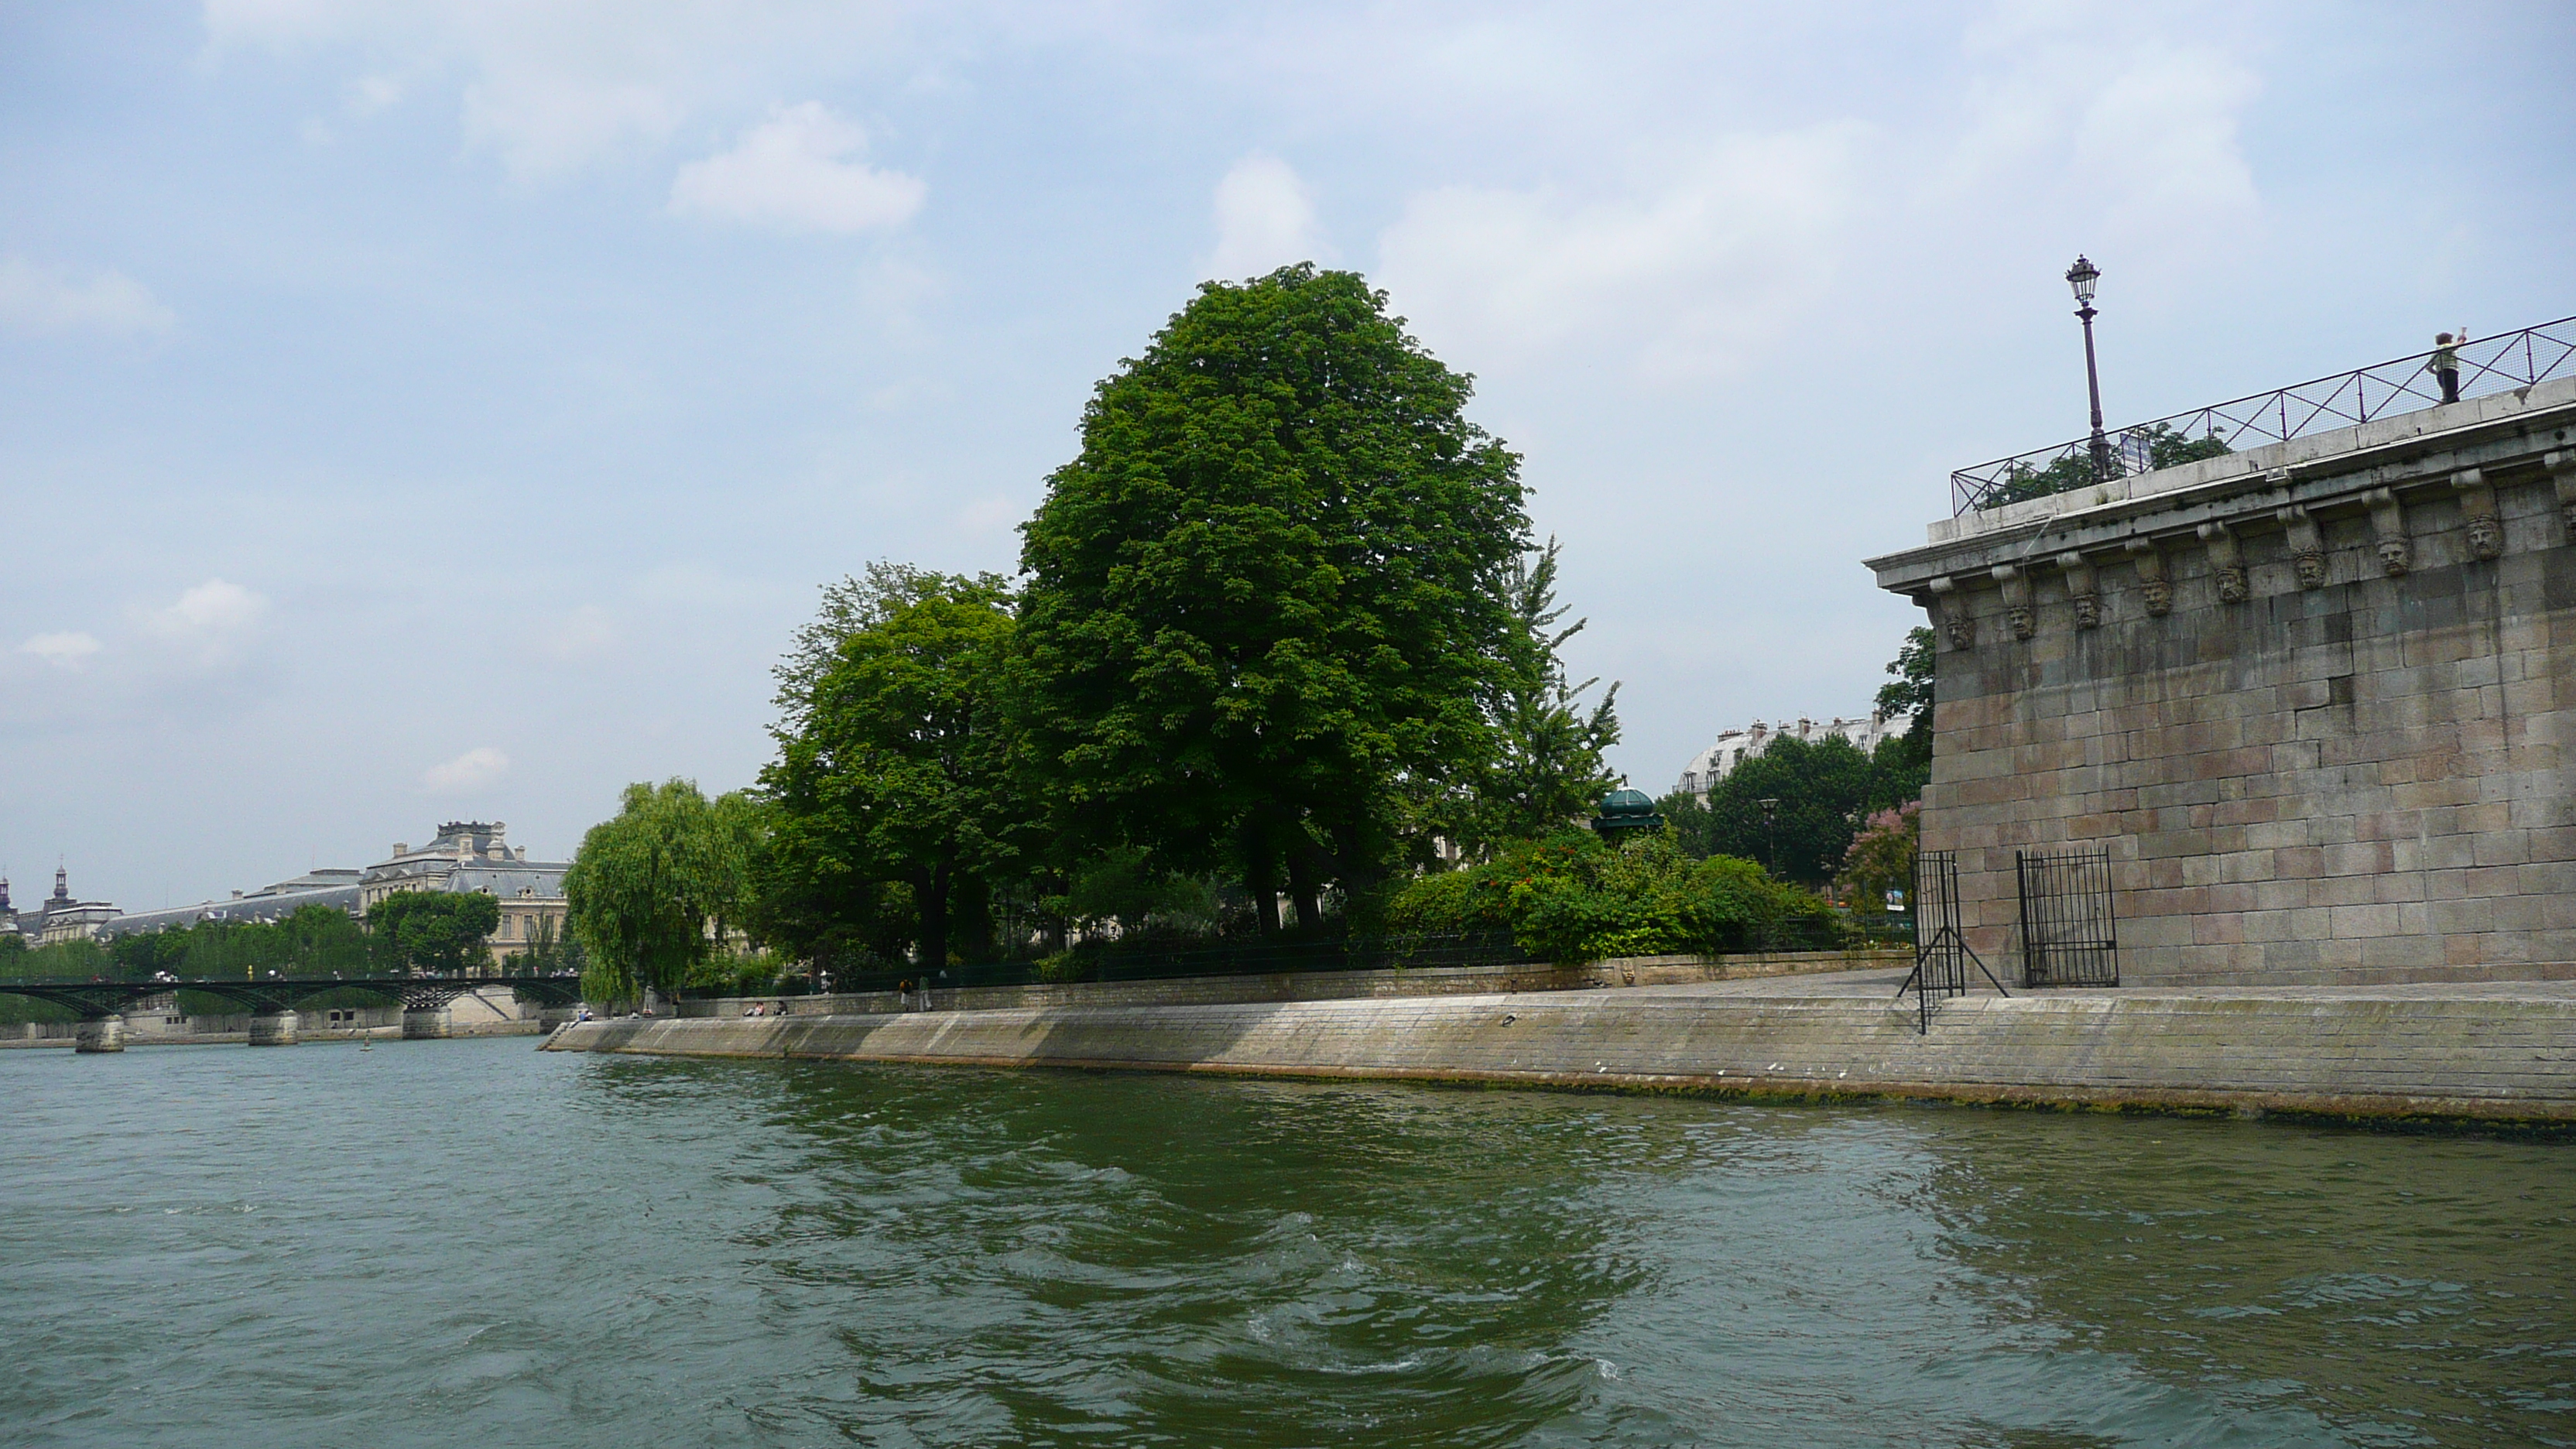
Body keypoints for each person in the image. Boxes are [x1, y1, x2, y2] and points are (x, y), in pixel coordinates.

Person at [2428, 327, 2468, 404]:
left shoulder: (2436, 351)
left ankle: (2448, 401)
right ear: (2447, 340)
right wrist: (2462, 340)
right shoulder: (2445, 346)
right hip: (2450, 370)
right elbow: (2454, 347)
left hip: (2440, 373)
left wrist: (2436, 372)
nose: (2451, 341)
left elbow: (2429, 367)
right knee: (2452, 389)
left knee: (2447, 390)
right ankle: (2450, 402)